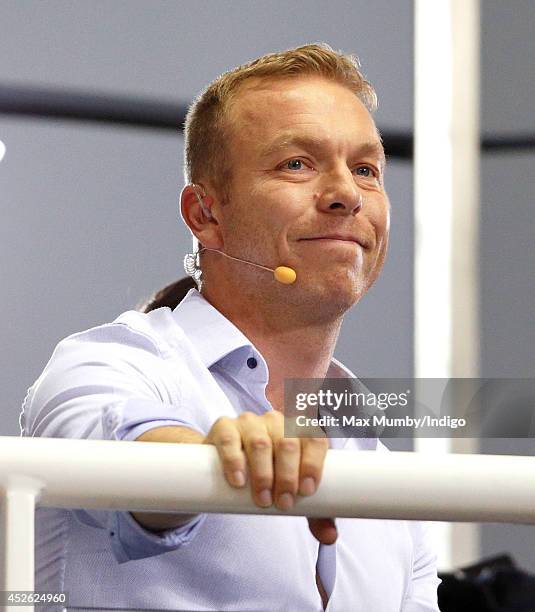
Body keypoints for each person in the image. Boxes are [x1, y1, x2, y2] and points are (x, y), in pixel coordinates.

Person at [21, 43, 440, 611]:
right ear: (205, 216)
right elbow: (114, 452)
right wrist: (210, 459)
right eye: (297, 163)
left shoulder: (380, 463)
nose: (346, 194)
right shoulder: (114, 364)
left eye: (366, 169)